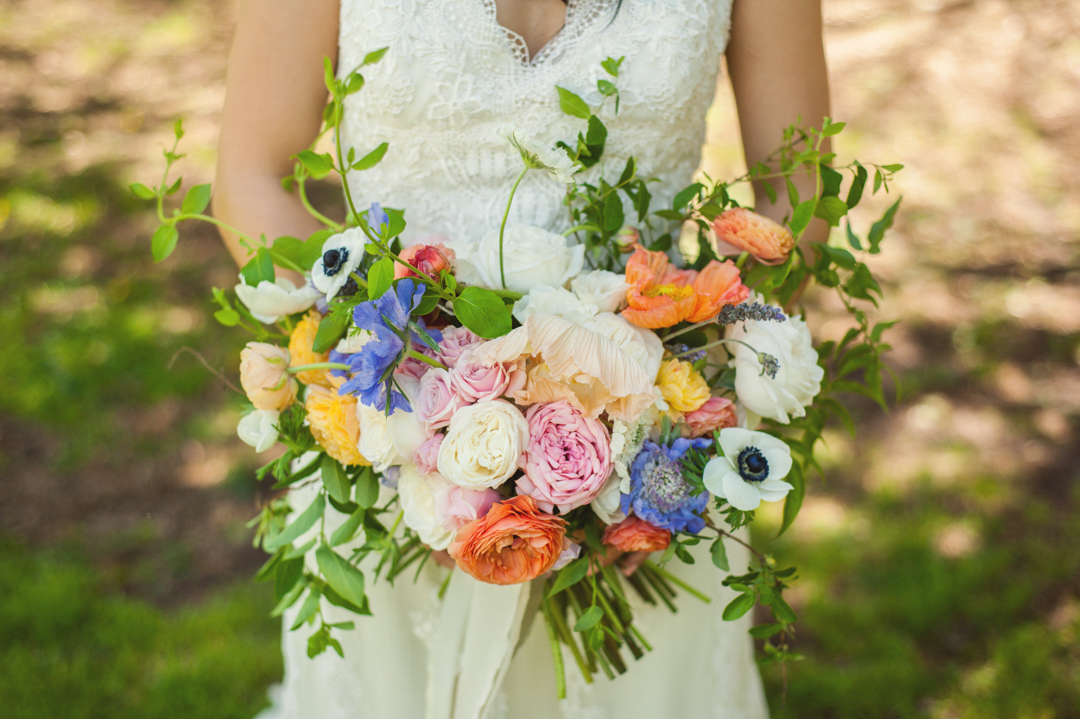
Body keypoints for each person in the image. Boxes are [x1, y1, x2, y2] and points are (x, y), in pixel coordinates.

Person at [214, 1, 830, 717]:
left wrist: (668, 421)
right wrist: (410, 430)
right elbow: (251, 176)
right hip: (383, 449)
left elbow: (798, 194)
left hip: (658, 465)